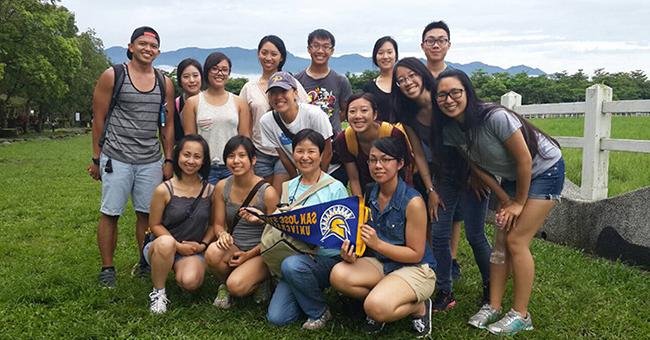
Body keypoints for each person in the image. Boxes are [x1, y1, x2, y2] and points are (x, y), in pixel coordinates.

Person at [432, 69, 564, 335]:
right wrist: (505, 199)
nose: (449, 99)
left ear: (467, 93)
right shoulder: (451, 129)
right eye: (442, 95)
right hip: (513, 178)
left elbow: (525, 160)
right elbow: (476, 167)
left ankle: (521, 314)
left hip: (544, 170)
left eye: (455, 92)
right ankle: (493, 305)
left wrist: (518, 203)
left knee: (516, 240)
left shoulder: (495, 117)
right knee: (501, 240)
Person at [392, 57, 492, 312]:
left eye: (411, 75)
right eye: (400, 80)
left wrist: (476, 173)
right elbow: (420, 155)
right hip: (443, 176)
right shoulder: (408, 115)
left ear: (422, 74)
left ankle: (492, 286)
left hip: (472, 173)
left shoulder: (443, 100)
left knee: (476, 234)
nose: (407, 82)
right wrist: (431, 190)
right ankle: (444, 290)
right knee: (438, 234)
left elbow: (469, 138)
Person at [87, 26, 175, 288]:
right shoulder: (113, 76)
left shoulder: (164, 82)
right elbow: (99, 118)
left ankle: (145, 263)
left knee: (147, 216)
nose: (148, 49)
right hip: (117, 156)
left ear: (158, 51)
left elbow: (166, 124)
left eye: (153, 45)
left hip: (150, 158)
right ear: (131, 46)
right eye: (142, 44)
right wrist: (96, 158)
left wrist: (168, 159)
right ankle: (107, 268)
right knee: (110, 212)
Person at [330, 137, 436, 338]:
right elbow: (364, 240)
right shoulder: (371, 192)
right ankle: (388, 293)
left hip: (417, 269)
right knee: (338, 275)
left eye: (385, 159)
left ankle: (418, 307)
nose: (378, 165)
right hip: (383, 264)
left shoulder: (413, 202)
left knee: (375, 308)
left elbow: (416, 254)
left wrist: (377, 243)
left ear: (400, 164)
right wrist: (352, 253)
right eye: (372, 160)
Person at [257, 129, 348, 330]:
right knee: (278, 317)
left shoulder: (336, 187)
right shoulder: (288, 187)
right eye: (300, 151)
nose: (305, 157)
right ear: (293, 153)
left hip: (325, 258)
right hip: (294, 254)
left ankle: (319, 311)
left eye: (311, 151)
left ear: (321, 154)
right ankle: (303, 290)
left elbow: (342, 235)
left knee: (292, 265)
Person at [204, 136, 279, 308]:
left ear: (253, 159)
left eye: (242, 156)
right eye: (231, 156)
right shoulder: (223, 186)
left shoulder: (268, 192)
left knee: (237, 287)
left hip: (261, 251)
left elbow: (275, 236)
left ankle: (262, 279)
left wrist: (248, 255)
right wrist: (222, 234)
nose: (236, 161)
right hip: (235, 246)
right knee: (213, 252)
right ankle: (224, 283)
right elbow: (217, 223)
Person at [421, 20, 468, 285]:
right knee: (431, 207)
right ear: (422, 45)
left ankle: (451, 258)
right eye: (430, 40)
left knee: (454, 212)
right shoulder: (418, 75)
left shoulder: (456, 76)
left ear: (448, 45)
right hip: (425, 153)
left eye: (441, 40)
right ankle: (431, 256)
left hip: (454, 154)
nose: (435, 44)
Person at [145, 135, 215, 314]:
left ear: (204, 160)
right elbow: (154, 225)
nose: (191, 161)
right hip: (161, 245)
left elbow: (214, 225)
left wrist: (202, 245)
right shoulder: (164, 189)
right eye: (186, 155)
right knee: (166, 243)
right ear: (178, 156)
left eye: (197, 156)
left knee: (191, 282)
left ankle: (179, 270)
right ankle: (158, 292)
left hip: (193, 249)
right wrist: (176, 246)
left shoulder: (211, 191)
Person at [239, 36, 309, 192]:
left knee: (278, 197)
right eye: (264, 53)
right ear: (258, 54)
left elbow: (304, 113)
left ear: (281, 57)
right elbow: (245, 126)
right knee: (261, 196)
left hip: (285, 150)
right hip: (260, 152)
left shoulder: (292, 83)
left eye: (274, 54)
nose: (268, 58)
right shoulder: (249, 88)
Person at [182, 52, 251, 184]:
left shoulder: (239, 102)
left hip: (233, 166)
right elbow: (189, 140)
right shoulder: (193, 103)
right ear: (206, 71)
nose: (220, 73)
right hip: (204, 167)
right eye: (215, 69)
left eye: (224, 70)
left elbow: (245, 137)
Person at [294, 28, 352, 184]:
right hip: (306, 147)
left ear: (332, 51)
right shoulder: (297, 80)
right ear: (308, 49)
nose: (320, 50)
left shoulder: (341, 81)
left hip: (334, 149)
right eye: (316, 45)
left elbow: (344, 111)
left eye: (326, 46)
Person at [258, 71, 334, 182]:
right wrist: (296, 181)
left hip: (327, 172)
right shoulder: (266, 121)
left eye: (283, 91)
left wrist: (318, 182)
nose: (278, 97)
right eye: (273, 93)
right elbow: (284, 156)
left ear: (295, 93)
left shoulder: (314, 114)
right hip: (303, 174)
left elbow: (327, 152)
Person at [334, 93, 410, 196]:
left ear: (375, 114)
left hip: (397, 189)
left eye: (364, 110)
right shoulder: (344, 139)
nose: (358, 116)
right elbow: (354, 178)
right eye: (352, 111)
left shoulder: (393, 134)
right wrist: (360, 206)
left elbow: (406, 169)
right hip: (367, 191)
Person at [362, 36, 398, 123]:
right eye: (381, 53)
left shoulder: (405, 83)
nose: (385, 56)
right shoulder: (369, 87)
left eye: (389, 52)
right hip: (378, 135)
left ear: (396, 55)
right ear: (375, 56)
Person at [173, 58, 203, 143]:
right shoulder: (176, 104)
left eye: (195, 75)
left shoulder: (210, 101)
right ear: (179, 80)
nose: (192, 80)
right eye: (186, 77)